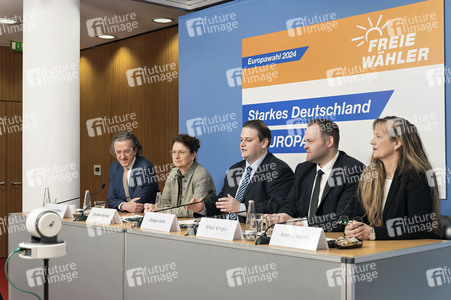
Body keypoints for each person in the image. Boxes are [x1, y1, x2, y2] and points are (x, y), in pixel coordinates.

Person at [345, 116, 442, 240]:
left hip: (410, 254)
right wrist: (353, 229)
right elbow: (358, 216)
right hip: (376, 251)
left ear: (397, 143)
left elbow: (419, 225)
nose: (372, 141)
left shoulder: (417, 175)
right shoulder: (369, 175)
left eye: (378, 137)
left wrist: (373, 232)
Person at [186, 120, 294, 221]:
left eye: (248, 140)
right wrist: (202, 206)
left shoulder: (279, 170)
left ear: (264, 143)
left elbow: (276, 206)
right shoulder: (235, 169)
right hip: (226, 230)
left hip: (252, 233)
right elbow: (223, 201)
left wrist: (241, 208)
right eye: (241, 140)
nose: (242, 144)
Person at [273, 118, 365, 231]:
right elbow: (291, 204)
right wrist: (283, 215)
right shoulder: (303, 169)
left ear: (329, 142)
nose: (305, 146)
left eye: (310, 141)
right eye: (305, 141)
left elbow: (343, 219)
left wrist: (304, 224)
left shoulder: (353, 170)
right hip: (299, 240)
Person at [144, 134, 216, 217]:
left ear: (193, 155)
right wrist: (154, 208)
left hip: (197, 225)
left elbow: (192, 210)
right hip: (175, 222)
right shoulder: (173, 173)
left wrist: (161, 211)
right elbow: (164, 203)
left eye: (181, 152)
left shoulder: (202, 175)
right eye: (174, 152)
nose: (176, 156)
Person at [107, 132, 159, 213]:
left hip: (145, 217)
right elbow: (111, 200)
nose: (122, 156)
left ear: (135, 151)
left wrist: (121, 205)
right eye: (118, 152)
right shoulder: (114, 167)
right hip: (124, 216)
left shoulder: (145, 168)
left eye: (126, 151)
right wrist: (124, 206)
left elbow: (138, 204)